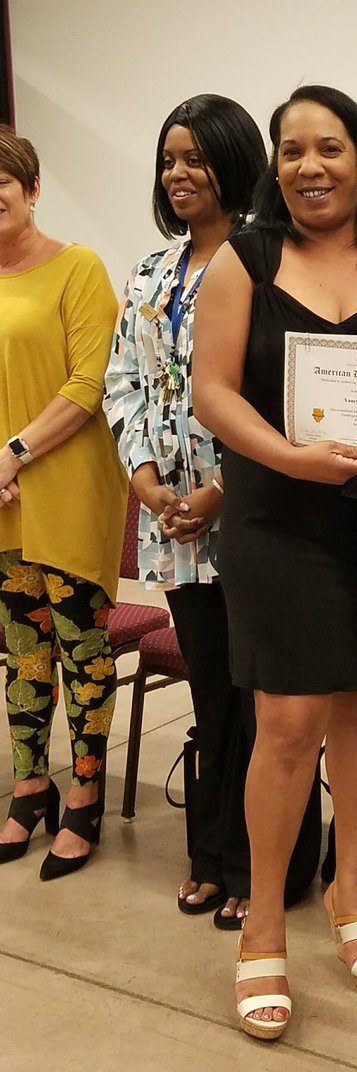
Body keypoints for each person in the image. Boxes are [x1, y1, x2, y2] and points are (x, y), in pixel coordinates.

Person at [192, 84, 357, 1041]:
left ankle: (350, 892)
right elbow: (212, 392)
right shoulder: (243, 260)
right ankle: (263, 924)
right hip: (277, 515)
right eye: (291, 150)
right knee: (288, 720)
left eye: (329, 148)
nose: (310, 167)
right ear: (274, 166)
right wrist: (291, 456)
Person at [105, 94, 272, 927]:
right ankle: (207, 855)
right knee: (209, 692)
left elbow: (279, 399)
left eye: (197, 158)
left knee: (255, 699)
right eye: (169, 159)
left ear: (234, 162)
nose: (179, 174)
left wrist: (223, 491)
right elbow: (124, 382)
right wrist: (142, 474)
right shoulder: (149, 273)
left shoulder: (265, 264)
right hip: (170, 523)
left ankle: (254, 866)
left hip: (247, 518)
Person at [0, 125, 127, 880]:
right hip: (3, 494)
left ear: (32, 189)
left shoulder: (78, 268)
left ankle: (84, 792)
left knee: (79, 647)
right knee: (20, 651)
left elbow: (89, 383)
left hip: (69, 481)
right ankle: (28, 783)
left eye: (2, 186)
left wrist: (11, 453)